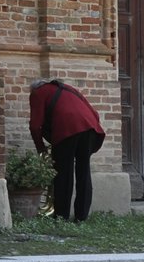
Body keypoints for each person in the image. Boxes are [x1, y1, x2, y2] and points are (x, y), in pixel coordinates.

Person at [28, 78, 106, 222]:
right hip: (90, 129)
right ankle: (81, 216)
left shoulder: (37, 92)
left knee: (63, 173)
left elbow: (35, 125)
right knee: (84, 171)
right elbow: (94, 113)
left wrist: (41, 148)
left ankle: (61, 215)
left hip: (66, 130)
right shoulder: (68, 88)